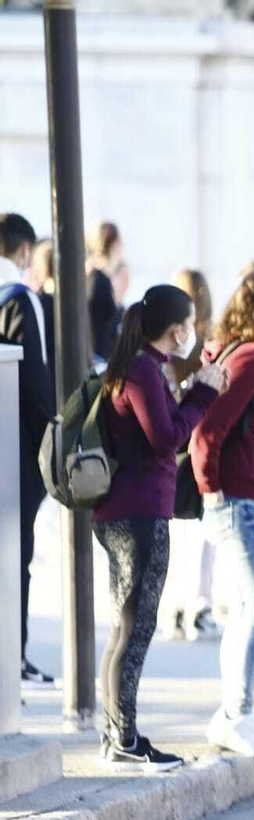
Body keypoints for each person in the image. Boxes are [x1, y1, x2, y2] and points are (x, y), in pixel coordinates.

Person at [93, 284, 225, 769]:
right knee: (136, 626)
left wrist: (189, 393)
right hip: (139, 512)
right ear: (177, 329)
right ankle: (124, 739)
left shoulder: (140, 364)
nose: (193, 333)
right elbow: (165, 439)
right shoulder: (144, 368)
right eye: (190, 325)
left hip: (126, 510)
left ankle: (117, 734)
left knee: (124, 627)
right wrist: (206, 393)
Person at [192, 268, 254, 761]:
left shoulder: (236, 353)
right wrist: (212, 488)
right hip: (239, 498)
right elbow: (208, 430)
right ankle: (237, 714)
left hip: (241, 495)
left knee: (246, 610)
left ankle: (233, 713)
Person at [1, 213, 56, 685]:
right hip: (16, 449)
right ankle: (11, 655)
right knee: (15, 553)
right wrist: (52, 444)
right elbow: (36, 382)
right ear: (23, 252)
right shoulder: (21, 298)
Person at [165, 267, 222, 643]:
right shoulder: (210, 343)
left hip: (172, 445)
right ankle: (199, 605)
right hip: (200, 441)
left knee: (178, 530)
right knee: (202, 531)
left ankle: (177, 607)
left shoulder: (168, 344)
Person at [86, 220, 128, 358]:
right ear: (115, 244)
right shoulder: (100, 278)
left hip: (95, 349)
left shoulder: (92, 273)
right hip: (100, 351)